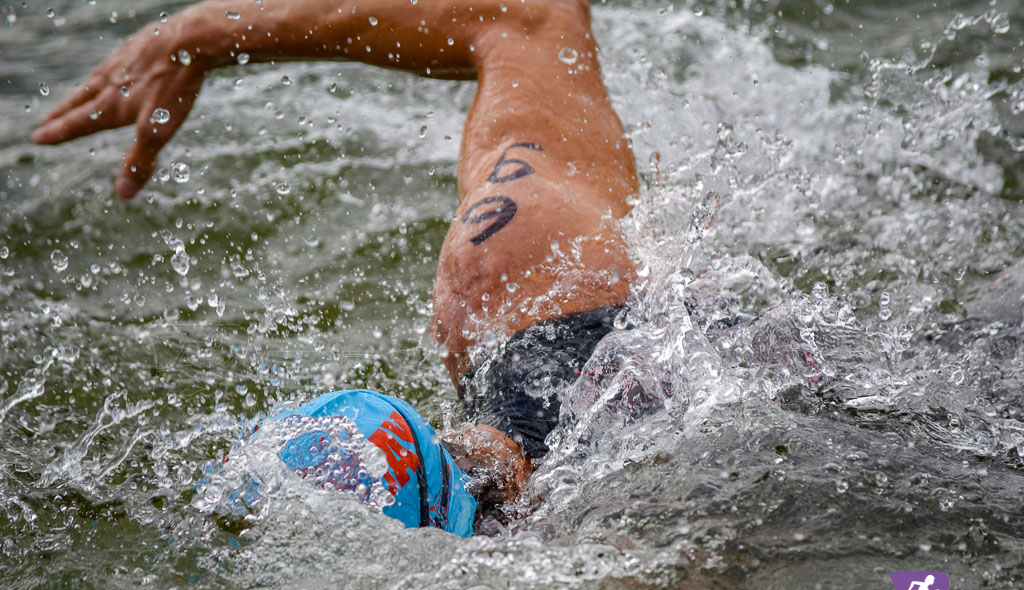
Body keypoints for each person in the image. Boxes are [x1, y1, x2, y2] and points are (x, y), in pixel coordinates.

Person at [33, 0, 640, 533]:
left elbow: (525, 11)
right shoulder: (516, 273)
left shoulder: (519, 262)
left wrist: (209, 29)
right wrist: (203, 32)